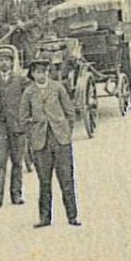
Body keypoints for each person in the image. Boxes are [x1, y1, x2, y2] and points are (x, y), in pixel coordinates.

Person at [20, 58, 79, 228]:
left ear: (48, 73)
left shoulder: (58, 88)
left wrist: (66, 132)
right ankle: (45, 218)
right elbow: (23, 118)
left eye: (44, 71)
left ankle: (72, 216)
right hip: (41, 143)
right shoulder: (29, 92)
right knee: (44, 182)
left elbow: (70, 112)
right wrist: (33, 133)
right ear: (32, 74)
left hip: (60, 140)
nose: (41, 75)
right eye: (38, 72)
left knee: (67, 180)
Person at [0, 48, 30, 209]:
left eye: (6, 60)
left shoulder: (21, 80)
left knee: (17, 161)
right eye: (0, 60)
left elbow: (29, 99)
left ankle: (16, 194)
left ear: (11, 62)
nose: (3, 63)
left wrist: (26, 119)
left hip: (17, 125)